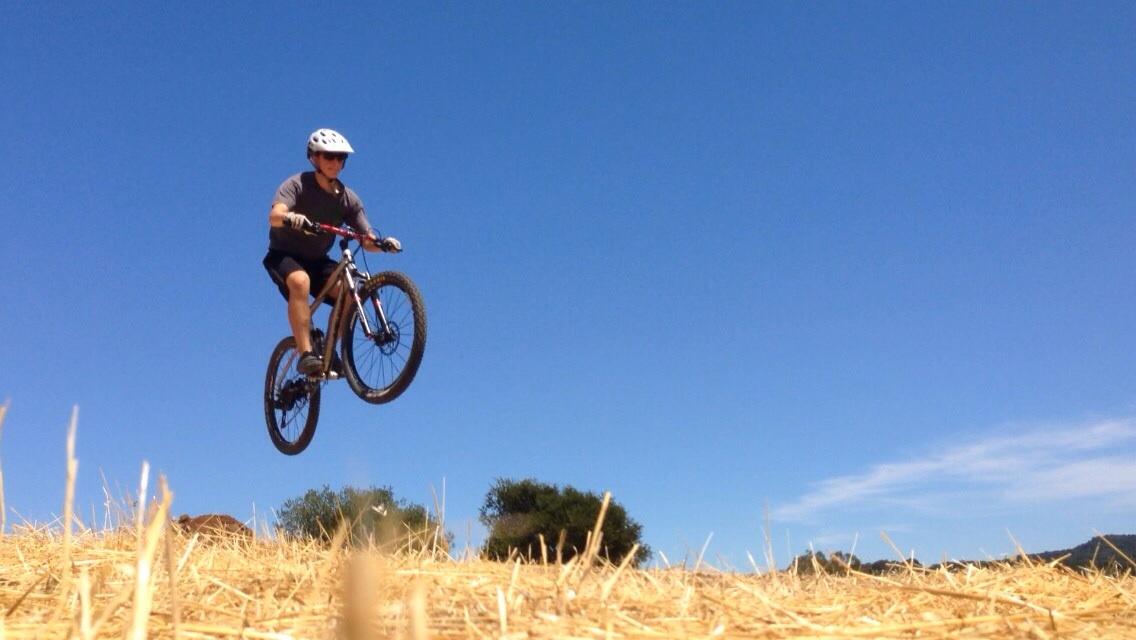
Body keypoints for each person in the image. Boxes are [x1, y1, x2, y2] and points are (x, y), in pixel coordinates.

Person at [263, 128, 400, 375]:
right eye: (329, 156)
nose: (335, 162)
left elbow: (367, 239)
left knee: (351, 292)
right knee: (300, 281)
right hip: (284, 255)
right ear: (314, 157)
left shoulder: (348, 199)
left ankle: (327, 349)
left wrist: (382, 244)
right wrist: (291, 217)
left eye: (340, 158)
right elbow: (275, 216)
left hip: (317, 261)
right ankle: (306, 354)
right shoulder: (296, 185)